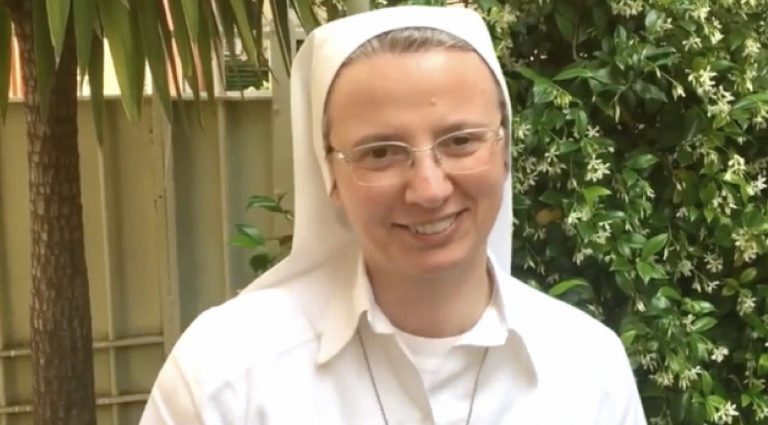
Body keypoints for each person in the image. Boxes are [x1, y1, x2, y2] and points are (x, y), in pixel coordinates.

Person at [139, 5, 647, 425]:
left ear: (505, 151)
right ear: (328, 174)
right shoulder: (224, 374)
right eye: (380, 152)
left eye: (461, 141)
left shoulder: (588, 370)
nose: (429, 189)